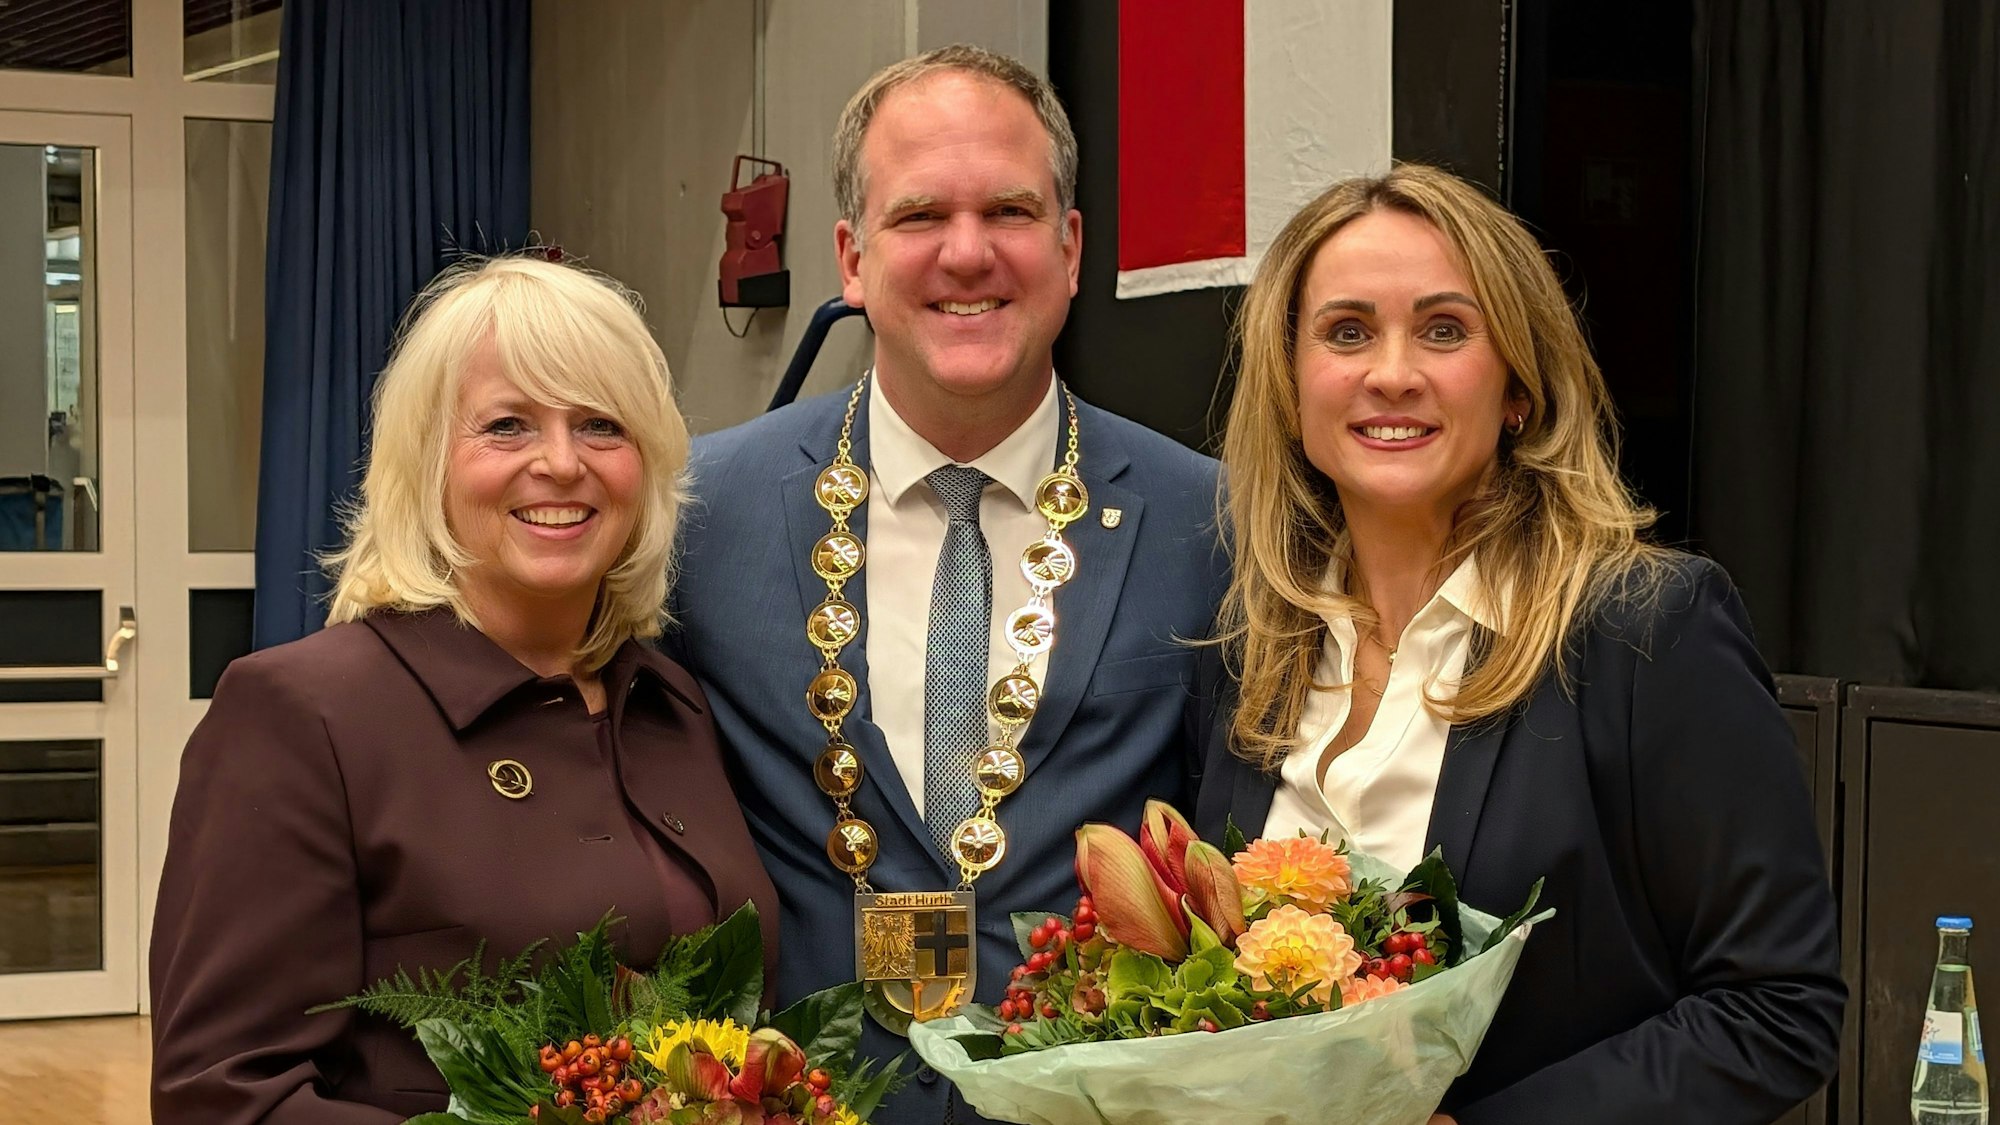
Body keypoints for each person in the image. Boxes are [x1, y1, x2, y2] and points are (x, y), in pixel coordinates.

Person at [1190, 164, 1845, 1123]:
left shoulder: (1647, 628)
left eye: (1446, 330)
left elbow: (1780, 1007)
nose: (1393, 371)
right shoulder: (1251, 646)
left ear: (1519, 391)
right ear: (1292, 389)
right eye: (1347, 331)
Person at [665, 45, 1226, 1124]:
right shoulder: (699, 511)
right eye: (919, 216)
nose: (966, 255)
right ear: (853, 256)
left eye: (1008, 213)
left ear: (1068, 249)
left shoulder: (1208, 520)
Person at [149, 256, 779, 1125]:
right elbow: (223, 1100)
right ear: (426, 461)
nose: (561, 463)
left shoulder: (669, 700)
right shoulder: (301, 715)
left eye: (601, 425)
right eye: (508, 426)